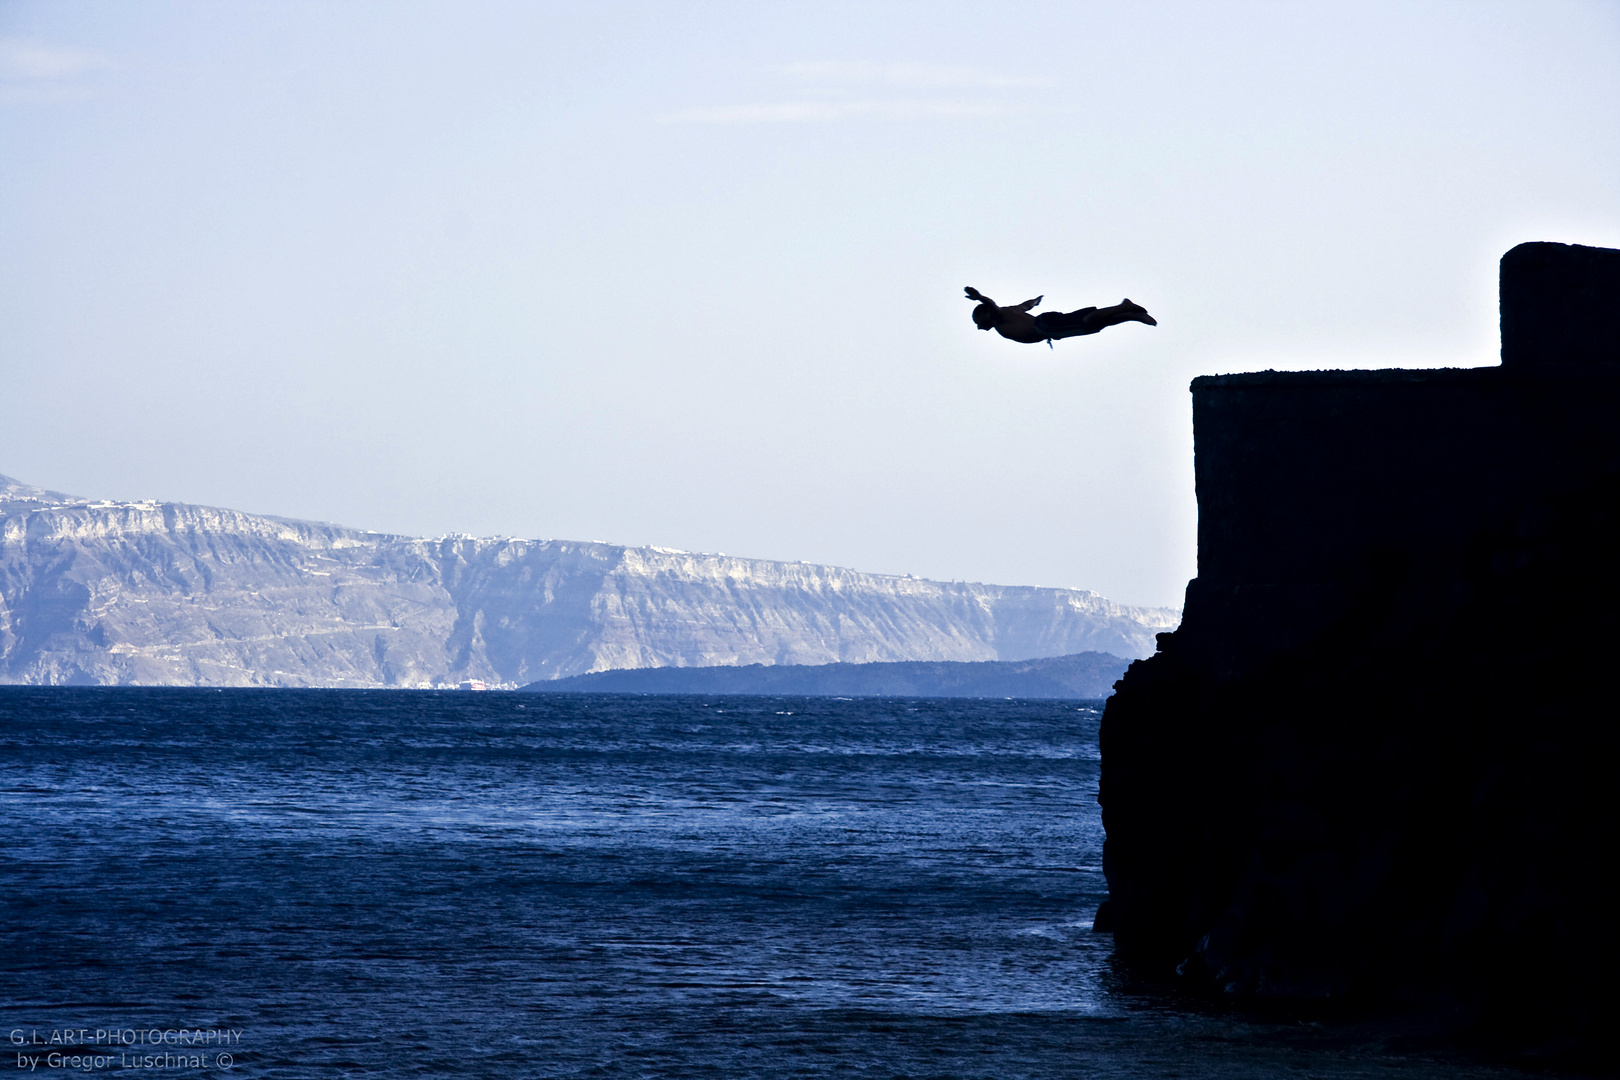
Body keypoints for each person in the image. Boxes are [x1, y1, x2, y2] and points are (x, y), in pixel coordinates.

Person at [964, 286, 1156, 345]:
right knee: (1094, 325)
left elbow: (991, 305)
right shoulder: (1011, 311)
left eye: (980, 320)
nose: (980, 326)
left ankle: (1122, 307)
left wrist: (980, 297)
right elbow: (1026, 305)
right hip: (1048, 328)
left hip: (1045, 326)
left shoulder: (1000, 316)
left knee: (1087, 321)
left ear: (986, 314)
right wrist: (1035, 301)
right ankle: (1132, 315)